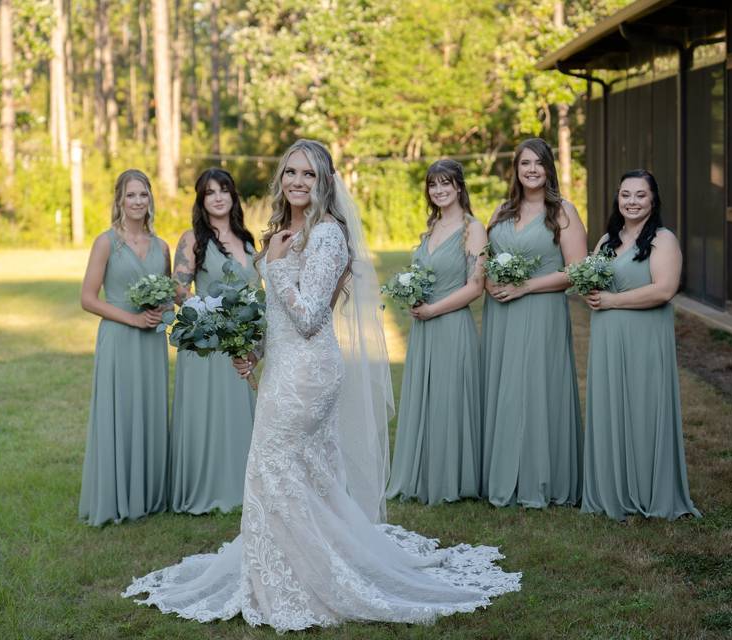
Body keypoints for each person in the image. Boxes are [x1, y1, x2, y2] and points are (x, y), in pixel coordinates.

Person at [123, 140, 520, 631]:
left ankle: (305, 579)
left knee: (272, 466)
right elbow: (279, 316)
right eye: (290, 172)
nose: (297, 182)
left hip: (311, 373)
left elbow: (312, 317)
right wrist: (254, 352)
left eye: (308, 175)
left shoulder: (328, 235)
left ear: (324, 181)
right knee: (301, 476)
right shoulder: (283, 232)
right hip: (283, 368)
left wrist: (277, 266)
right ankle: (288, 568)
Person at [581, 169, 701, 521]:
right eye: (625, 195)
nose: (632, 202)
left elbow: (664, 290)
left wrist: (611, 301)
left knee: (644, 407)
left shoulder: (663, 240)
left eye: (640, 195)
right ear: (617, 198)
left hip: (645, 336)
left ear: (653, 200)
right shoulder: (605, 241)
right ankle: (610, 490)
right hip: (607, 337)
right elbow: (595, 282)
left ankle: (650, 489)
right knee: (610, 407)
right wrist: (591, 294)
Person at [480, 137, 587, 508]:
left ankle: (543, 477)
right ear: (516, 169)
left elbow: (576, 272)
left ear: (548, 168)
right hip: (502, 313)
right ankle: (501, 475)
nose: (531, 170)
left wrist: (525, 287)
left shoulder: (563, 213)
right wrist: (491, 281)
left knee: (539, 388)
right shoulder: (500, 211)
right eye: (524, 163)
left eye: (538, 163)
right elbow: (483, 257)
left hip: (542, 310)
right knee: (505, 387)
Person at [386, 159, 487, 505]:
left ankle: (453, 478)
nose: (439, 190)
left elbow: (475, 287)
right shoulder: (430, 228)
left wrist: (433, 309)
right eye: (433, 185)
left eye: (446, 183)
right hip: (423, 329)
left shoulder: (473, 229)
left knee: (450, 399)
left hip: (451, 324)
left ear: (459, 187)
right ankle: (423, 474)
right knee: (426, 399)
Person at [79, 169, 170, 526]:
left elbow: (167, 296)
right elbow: (87, 299)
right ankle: (117, 496)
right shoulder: (106, 242)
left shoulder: (161, 246)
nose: (137, 202)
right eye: (130, 196)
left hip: (152, 343)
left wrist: (162, 311)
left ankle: (148, 496)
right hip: (119, 338)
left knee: (148, 410)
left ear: (151, 200)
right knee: (120, 411)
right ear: (119, 200)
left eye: (143, 195)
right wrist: (131, 319)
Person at [169, 168, 258, 514]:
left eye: (224, 190)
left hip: (238, 343)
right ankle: (206, 488)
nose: (218, 197)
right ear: (201, 200)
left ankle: (241, 486)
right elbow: (178, 288)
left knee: (237, 414)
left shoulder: (247, 241)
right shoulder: (192, 239)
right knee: (206, 417)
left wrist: (252, 339)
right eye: (210, 192)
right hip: (206, 344)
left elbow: (256, 292)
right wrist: (208, 313)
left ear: (233, 196)